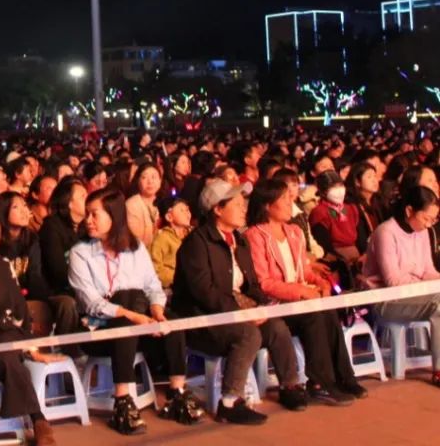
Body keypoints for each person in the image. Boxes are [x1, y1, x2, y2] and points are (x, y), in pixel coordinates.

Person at [68, 188, 204, 435]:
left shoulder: (136, 248)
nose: (88, 220)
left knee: (171, 321)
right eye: (87, 214)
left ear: (114, 216)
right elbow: (91, 302)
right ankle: (122, 400)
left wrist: (157, 311)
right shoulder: (80, 253)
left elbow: (153, 285)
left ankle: (177, 392)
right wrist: (133, 316)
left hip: (140, 322)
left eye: (94, 214)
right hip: (98, 328)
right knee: (125, 309)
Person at [171, 179, 307, 425]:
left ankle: (290, 386)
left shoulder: (239, 240)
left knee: (276, 327)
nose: (244, 207)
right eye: (236, 203)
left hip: (236, 310)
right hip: (203, 320)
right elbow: (206, 294)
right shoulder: (197, 243)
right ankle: (229, 402)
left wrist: (262, 305)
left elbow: (251, 285)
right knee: (248, 334)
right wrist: (244, 313)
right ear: (217, 209)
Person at [243, 179, 365, 404]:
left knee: (329, 311)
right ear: (267, 205)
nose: (292, 202)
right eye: (284, 199)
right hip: (275, 305)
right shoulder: (255, 235)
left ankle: (344, 377)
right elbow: (264, 283)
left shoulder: (294, 232)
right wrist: (300, 291)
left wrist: (321, 283)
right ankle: (320, 382)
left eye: (291, 197)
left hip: (300, 300)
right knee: (314, 315)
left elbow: (304, 270)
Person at [0, 224, 58, 446]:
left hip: (6, 335)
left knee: (6, 354)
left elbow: (20, 311)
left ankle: (38, 420)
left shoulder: (3, 265)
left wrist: (29, 346)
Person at [362, 185, 440, 387]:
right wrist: (427, 285)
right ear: (409, 211)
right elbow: (393, 281)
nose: (429, 224)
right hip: (387, 300)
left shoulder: (423, 232)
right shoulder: (386, 232)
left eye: (433, 219)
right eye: (426, 218)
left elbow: (427, 270)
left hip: (416, 294)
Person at [39, 177, 87, 335]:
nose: (88, 200)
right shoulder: (51, 227)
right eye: (82, 196)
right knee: (69, 304)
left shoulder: (86, 228)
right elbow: (57, 270)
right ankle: (69, 351)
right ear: (69, 203)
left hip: (84, 286)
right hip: (58, 290)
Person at [149, 196, 192, 290]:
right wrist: (179, 277)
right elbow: (156, 268)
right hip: (172, 286)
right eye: (182, 210)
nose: (187, 214)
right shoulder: (162, 238)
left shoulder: (193, 234)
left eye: (187, 210)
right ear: (169, 217)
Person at [124, 162, 161, 248]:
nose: (150, 181)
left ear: (160, 180)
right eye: (144, 177)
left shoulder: (163, 202)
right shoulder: (132, 205)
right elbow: (136, 242)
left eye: (154, 177)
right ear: (138, 181)